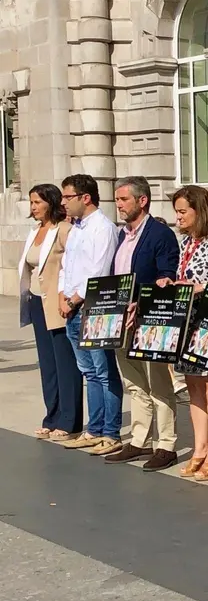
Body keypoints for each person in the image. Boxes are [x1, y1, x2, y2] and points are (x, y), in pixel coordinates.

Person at [103, 176, 181, 471]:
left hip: (148, 320)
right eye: (118, 199)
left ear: (142, 200)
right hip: (120, 320)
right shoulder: (122, 235)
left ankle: (166, 445)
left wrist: (143, 302)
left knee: (159, 383)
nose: (119, 204)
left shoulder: (160, 234)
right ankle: (139, 439)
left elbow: (166, 277)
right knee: (134, 383)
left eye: (123, 199)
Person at [161, 185, 208, 481]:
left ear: (198, 211)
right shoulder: (186, 243)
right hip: (187, 321)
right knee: (191, 385)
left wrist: (203, 287)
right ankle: (199, 447)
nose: (177, 217)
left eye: (182, 211)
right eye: (176, 211)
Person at [58, 174, 125, 453]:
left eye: (68, 197)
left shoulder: (103, 228)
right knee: (88, 372)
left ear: (85, 197)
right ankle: (94, 428)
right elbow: (67, 266)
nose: (63, 203)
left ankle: (111, 431)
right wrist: (63, 295)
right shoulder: (75, 229)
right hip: (72, 308)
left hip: (94, 308)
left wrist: (74, 299)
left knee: (104, 371)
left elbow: (98, 271)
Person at [18, 184, 83, 441]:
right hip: (36, 302)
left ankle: (70, 421)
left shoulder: (64, 230)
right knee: (47, 365)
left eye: (37, 202)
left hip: (58, 303)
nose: (33, 207)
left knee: (65, 363)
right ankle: (52, 415)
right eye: (31, 202)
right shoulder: (34, 231)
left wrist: (70, 297)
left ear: (51, 202)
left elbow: (75, 266)